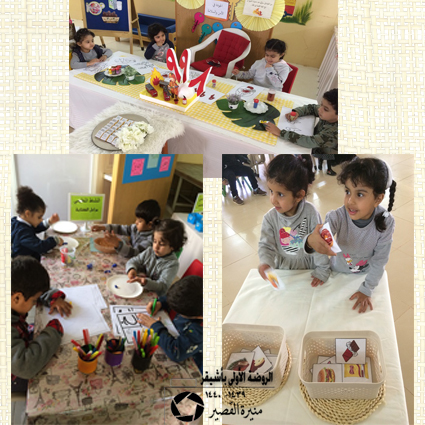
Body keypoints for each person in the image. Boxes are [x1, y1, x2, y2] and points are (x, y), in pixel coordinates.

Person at [306, 157, 396, 313]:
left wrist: (367, 289)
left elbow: (380, 260)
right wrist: (312, 245)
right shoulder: (336, 217)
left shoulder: (387, 221)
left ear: (378, 199)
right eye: (347, 191)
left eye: (360, 194)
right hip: (337, 272)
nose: (350, 201)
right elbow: (320, 244)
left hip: (364, 276)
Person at [258, 155, 330, 286]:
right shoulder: (270, 218)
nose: (273, 199)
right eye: (271, 191)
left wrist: (323, 269)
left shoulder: (311, 213)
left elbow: (319, 243)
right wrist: (265, 263)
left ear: (299, 195)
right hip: (284, 269)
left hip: (309, 268)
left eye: (280, 194)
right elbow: (266, 245)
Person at [12, 256, 72, 392]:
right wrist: (52, 333)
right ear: (17, 298)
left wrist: (53, 298)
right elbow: (25, 367)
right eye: (34, 301)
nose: (35, 303)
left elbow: (35, 290)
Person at [137, 275, 203, 372]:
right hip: (174, 332)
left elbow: (175, 352)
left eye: (179, 312)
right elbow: (173, 298)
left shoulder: (200, 331)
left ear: (199, 317)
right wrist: (160, 303)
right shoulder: (195, 297)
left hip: (192, 359)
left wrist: (155, 327)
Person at [265, 88, 338, 154]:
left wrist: (280, 133)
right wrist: (297, 112)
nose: (319, 109)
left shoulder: (333, 133)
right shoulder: (326, 112)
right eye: (321, 104)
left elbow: (310, 142)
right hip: (317, 138)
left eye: (325, 109)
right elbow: (312, 108)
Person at [126, 218, 187, 296]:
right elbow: (133, 260)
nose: (156, 247)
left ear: (173, 246)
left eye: (161, 244)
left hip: (156, 296)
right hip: (142, 288)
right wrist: (131, 269)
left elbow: (162, 286)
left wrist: (145, 282)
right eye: (154, 241)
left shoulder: (172, 265)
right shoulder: (150, 251)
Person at [92, 199, 161, 258]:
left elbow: (135, 253)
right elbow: (120, 228)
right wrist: (104, 227)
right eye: (136, 219)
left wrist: (118, 244)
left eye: (140, 221)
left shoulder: (150, 240)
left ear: (149, 225)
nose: (136, 222)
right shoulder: (135, 228)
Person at [12, 186, 63, 261]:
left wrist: (49, 221)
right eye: (39, 217)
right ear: (27, 214)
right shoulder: (22, 232)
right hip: (25, 263)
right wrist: (55, 240)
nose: (41, 219)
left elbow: (35, 227)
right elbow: (40, 247)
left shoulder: (17, 222)